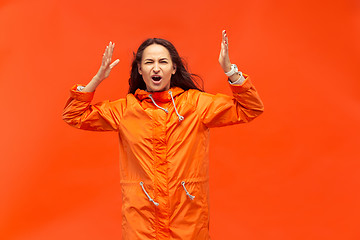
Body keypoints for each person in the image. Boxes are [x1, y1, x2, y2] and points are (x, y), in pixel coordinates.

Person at [63, 30, 264, 240]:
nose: (156, 68)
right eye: (149, 62)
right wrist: (97, 79)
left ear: (173, 67)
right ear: (140, 69)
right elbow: (73, 115)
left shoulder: (195, 105)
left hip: (187, 219)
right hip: (142, 221)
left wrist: (231, 71)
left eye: (163, 62)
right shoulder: (125, 110)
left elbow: (250, 109)